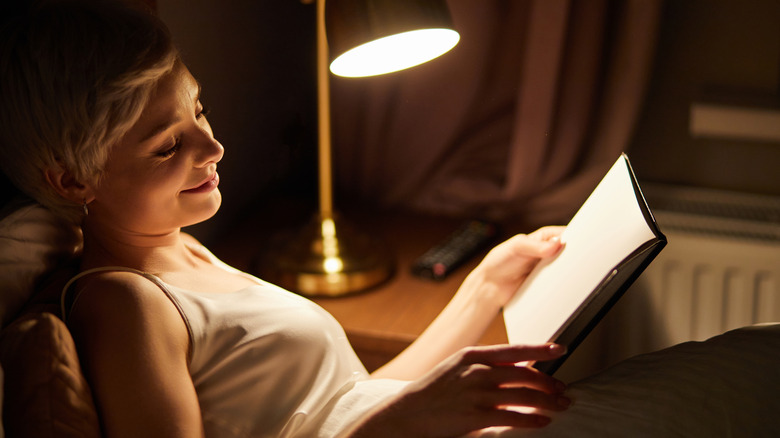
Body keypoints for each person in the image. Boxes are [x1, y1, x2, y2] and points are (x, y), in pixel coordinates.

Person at [0, 1, 571, 436]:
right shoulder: (127, 303)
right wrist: (407, 420)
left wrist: (483, 289)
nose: (212, 147)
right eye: (168, 146)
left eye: (198, 111)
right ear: (73, 179)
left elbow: (346, 402)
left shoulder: (179, 250)